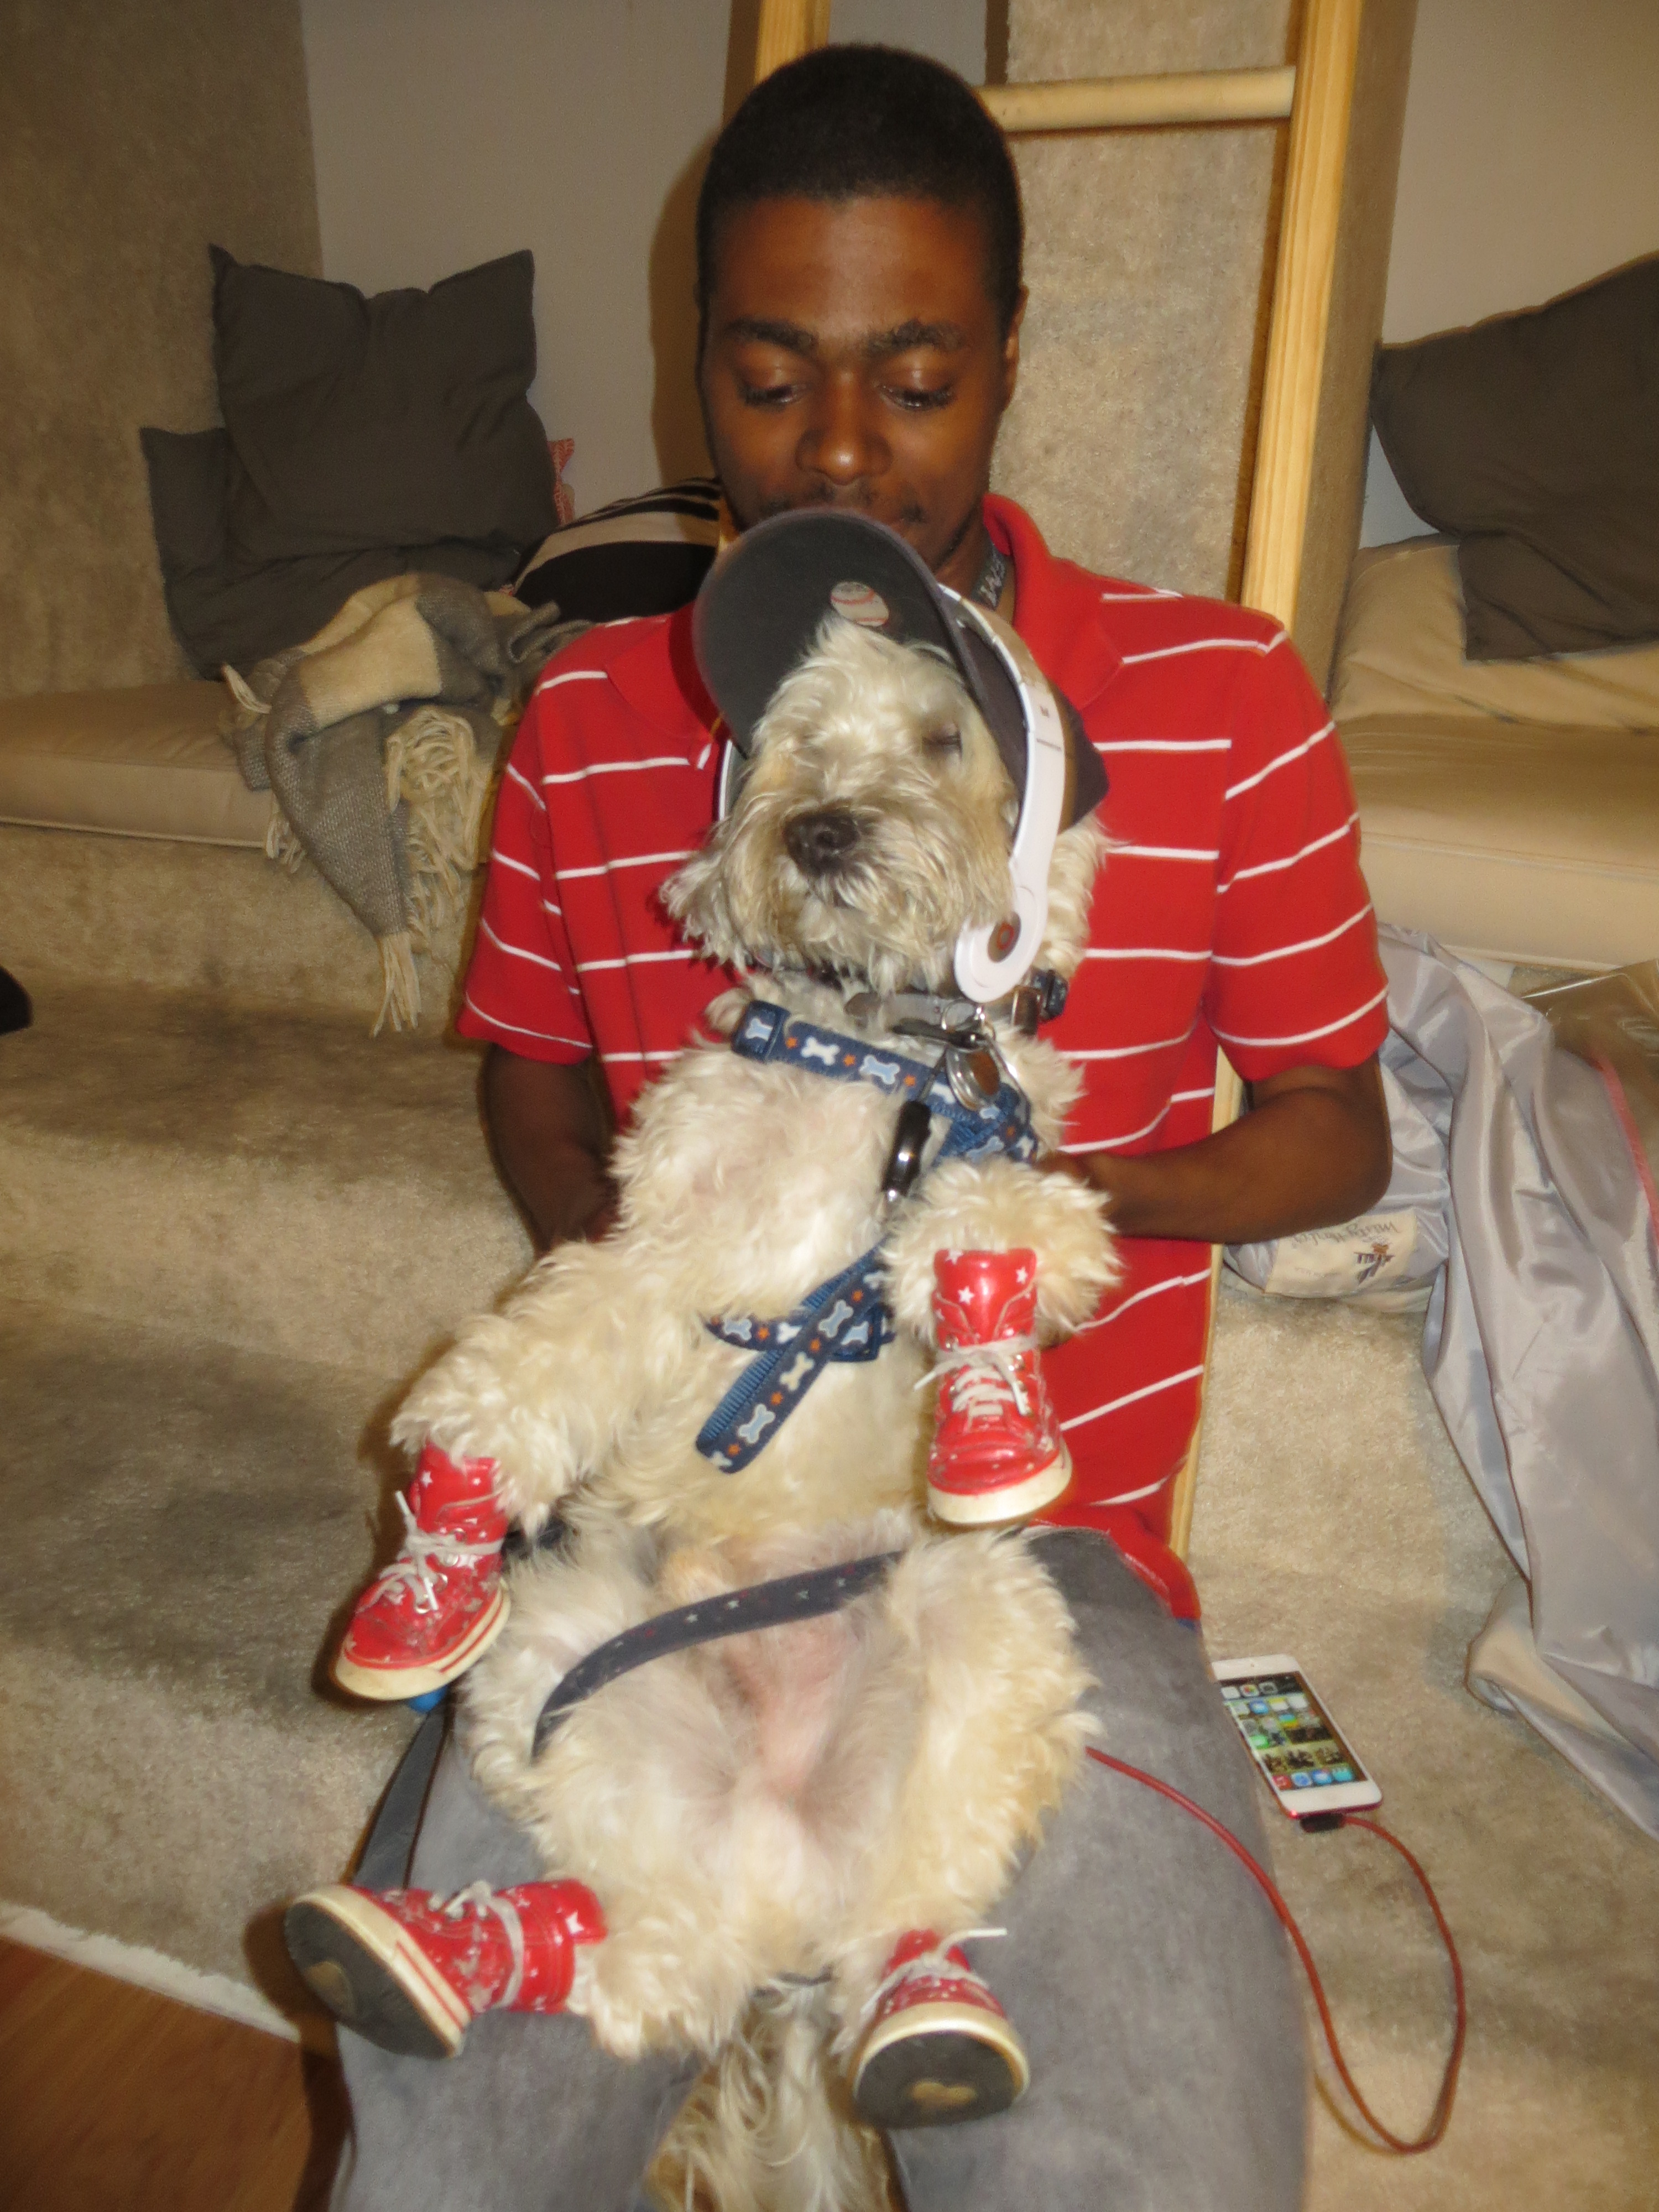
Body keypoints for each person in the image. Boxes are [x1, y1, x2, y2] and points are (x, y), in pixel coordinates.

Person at [314, 45, 1390, 2211]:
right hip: (664, 1529)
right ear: (690, 358)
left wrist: (1010, 1200)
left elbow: (1336, 1130)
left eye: (913, 378)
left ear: (1007, 355)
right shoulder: (586, 712)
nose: (834, 445)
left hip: (1033, 1555)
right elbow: (529, 1058)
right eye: (767, 374)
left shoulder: (1226, 696)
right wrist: (645, 1285)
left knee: (1150, 2162)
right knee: (445, 2156)